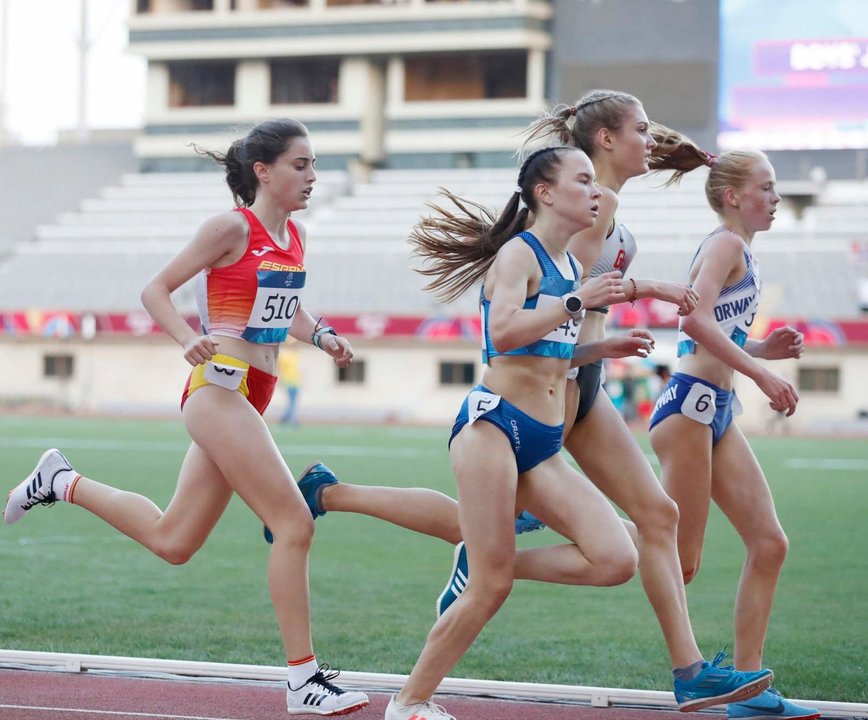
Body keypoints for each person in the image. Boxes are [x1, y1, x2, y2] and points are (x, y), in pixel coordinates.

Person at [3, 118, 369, 718]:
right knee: (294, 522)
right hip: (217, 391)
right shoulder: (230, 227)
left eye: (313, 165)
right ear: (263, 171)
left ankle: (59, 481)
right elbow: (155, 289)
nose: (312, 176)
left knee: (173, 541)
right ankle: (303, 680)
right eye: (300, 164)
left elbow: (285, 307)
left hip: (253, 394)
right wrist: (185, 339)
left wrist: (322, 334)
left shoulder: (294, 236)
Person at [386, 145, 767, 720]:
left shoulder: (568, 263)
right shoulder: (519, 255)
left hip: (542, 442)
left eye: (596, 181)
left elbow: (552, 350)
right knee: (490, 589)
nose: (595, 192)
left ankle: (487, 553)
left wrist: (599, 345)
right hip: (493, 427)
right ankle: (409, 701)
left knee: (616, 558)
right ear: (546, 193)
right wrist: (575, 300)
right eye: (582, 180)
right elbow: (504, 335)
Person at [648, 149, 819, 720]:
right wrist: (764, 372)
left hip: (715, 408)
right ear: (732, 196)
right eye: (766, 187)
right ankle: (576, 520)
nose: (774, 197)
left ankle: (748, 689)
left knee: (769, 543)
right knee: (682, 559)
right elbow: (690, 321)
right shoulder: (725, 244)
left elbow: (713, 331)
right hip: (689, 410)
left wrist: (762, 350)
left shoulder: (740, 250)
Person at [278, 340, 302, 425]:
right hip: (288, 381)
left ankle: (286, 417)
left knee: (293, 401)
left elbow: (297, 369)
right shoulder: (285, 356)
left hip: (296, 381)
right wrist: (281, 381)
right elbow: (281, 369)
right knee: (292, 401)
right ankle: (291, 419)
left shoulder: (295, 355)